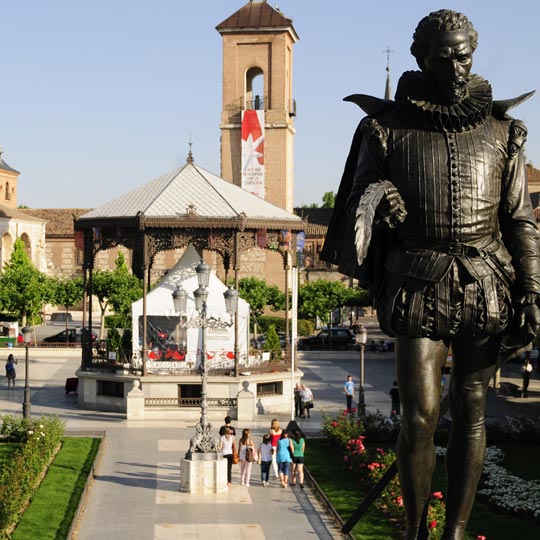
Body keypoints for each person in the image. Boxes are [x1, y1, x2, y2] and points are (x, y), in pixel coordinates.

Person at [321, 10, 540, 539]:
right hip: (417, 282)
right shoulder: (385, 130)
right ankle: (417, 529)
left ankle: (456, 531)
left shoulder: (504, 131)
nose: (457, 68)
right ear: (422, 60)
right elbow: (354, 208)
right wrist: (379, 200)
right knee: (420, 416)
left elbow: (519, 219)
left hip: (487, 282)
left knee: (471, 409)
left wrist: (532, 289)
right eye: (445, 59)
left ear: (473, 52)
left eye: (464, 56)